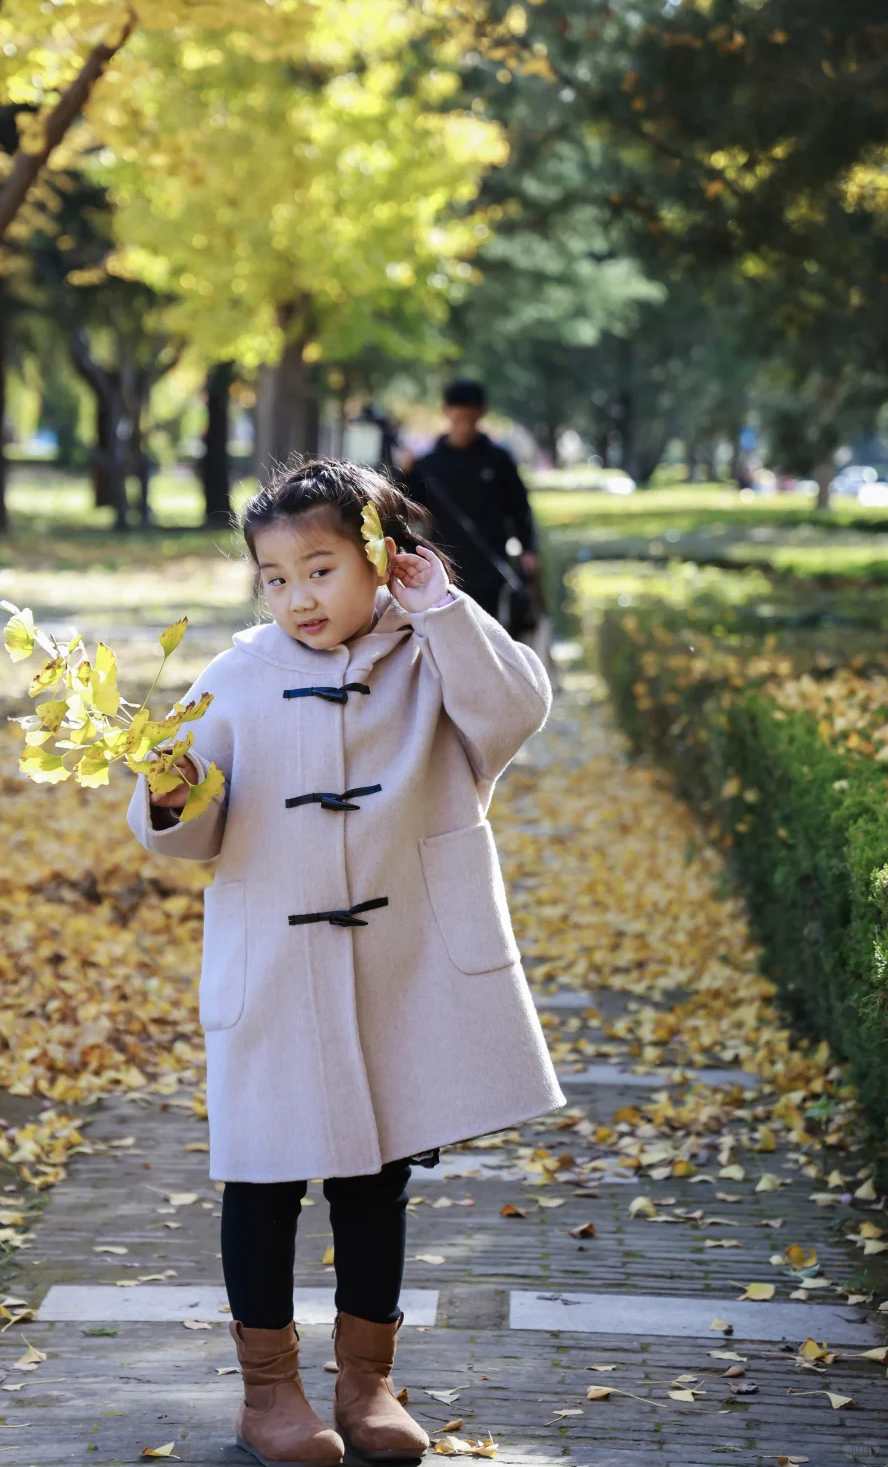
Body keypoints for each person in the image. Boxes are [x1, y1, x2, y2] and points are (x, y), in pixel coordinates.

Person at [127, 457, 563, 1467]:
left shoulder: (433, 658)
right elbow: (187, 832)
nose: (298, 598)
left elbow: (515, 711)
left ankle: (368, 1384)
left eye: (321, 570)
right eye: (275, 578)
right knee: (263, 1177)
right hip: (274, 966)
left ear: (380, 559)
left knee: (376, 1179)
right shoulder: (235, 673)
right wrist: (170, 793)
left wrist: (440, 606)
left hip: (397, 967)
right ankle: (268, 1395)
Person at [404, 379, 539, 629]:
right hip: (443, 566)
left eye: (470, 417)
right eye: (459, 417)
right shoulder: (427, 465)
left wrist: (529, 548)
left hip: (490, 565)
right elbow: (408, 508)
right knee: (445, 630)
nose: (465, 425)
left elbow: (519, 507)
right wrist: (403, 473)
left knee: (486, 629)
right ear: (446, 412)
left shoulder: (498, 460)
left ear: (482, 413)